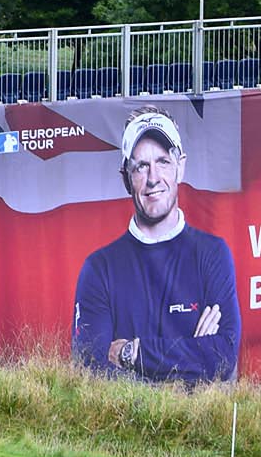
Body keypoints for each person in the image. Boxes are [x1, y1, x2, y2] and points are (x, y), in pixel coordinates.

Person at [71, 106, 240, 383]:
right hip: (123, 427)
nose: (152, 178)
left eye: (162, 161)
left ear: (180, 166)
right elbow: (91, 373)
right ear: (125, 177)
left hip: (203, 426)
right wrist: (192, 363)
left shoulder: (212, 254)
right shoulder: (99, 269)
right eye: (140, 166)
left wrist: (133, 354)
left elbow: (223, 356)